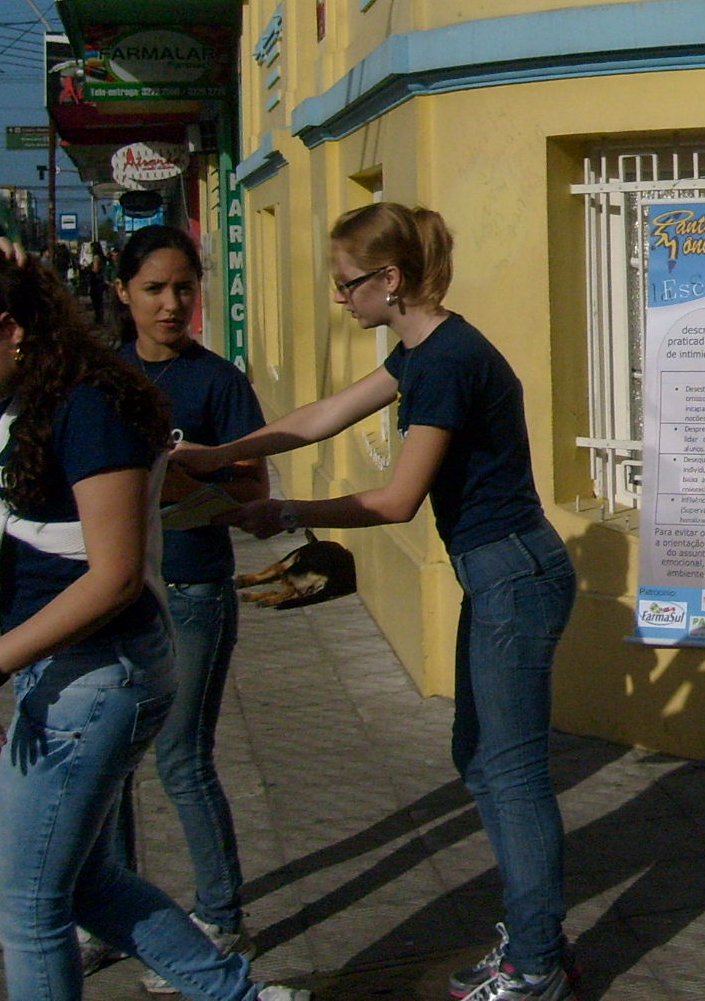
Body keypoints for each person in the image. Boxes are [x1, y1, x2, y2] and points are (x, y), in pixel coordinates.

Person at [172, 205, 576, 1001]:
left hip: (514, 575)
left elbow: (397, 500)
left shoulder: (448, 362)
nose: (340, 297)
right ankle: (537, 937)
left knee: (509, 771)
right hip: (499, 572)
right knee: (479, 758)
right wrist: (225, 453)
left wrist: (286, 512)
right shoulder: (422, 352)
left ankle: (537, 965)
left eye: (346, 282)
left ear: (390, 279)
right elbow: (324, 416)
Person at [0, 248, 305, 1001]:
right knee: (84, 884)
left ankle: (231, 959)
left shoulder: (91, 404)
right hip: (72, 670)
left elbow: (114, 575)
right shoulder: (43, 390)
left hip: (96, 673)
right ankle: (240, 996)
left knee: (25, 903)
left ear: (11, 329)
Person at [111, 226, 269, 988]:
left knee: (180, 758)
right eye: (153, 289)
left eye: (184, 288)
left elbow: (253, 488)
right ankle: (110, 911)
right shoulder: (102, 378)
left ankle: (220, 916)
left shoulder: (219, 383)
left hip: (194, 590)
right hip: (113, 595)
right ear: (123, 293)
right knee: (109, 760)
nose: (171, 304)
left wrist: (186, 484)